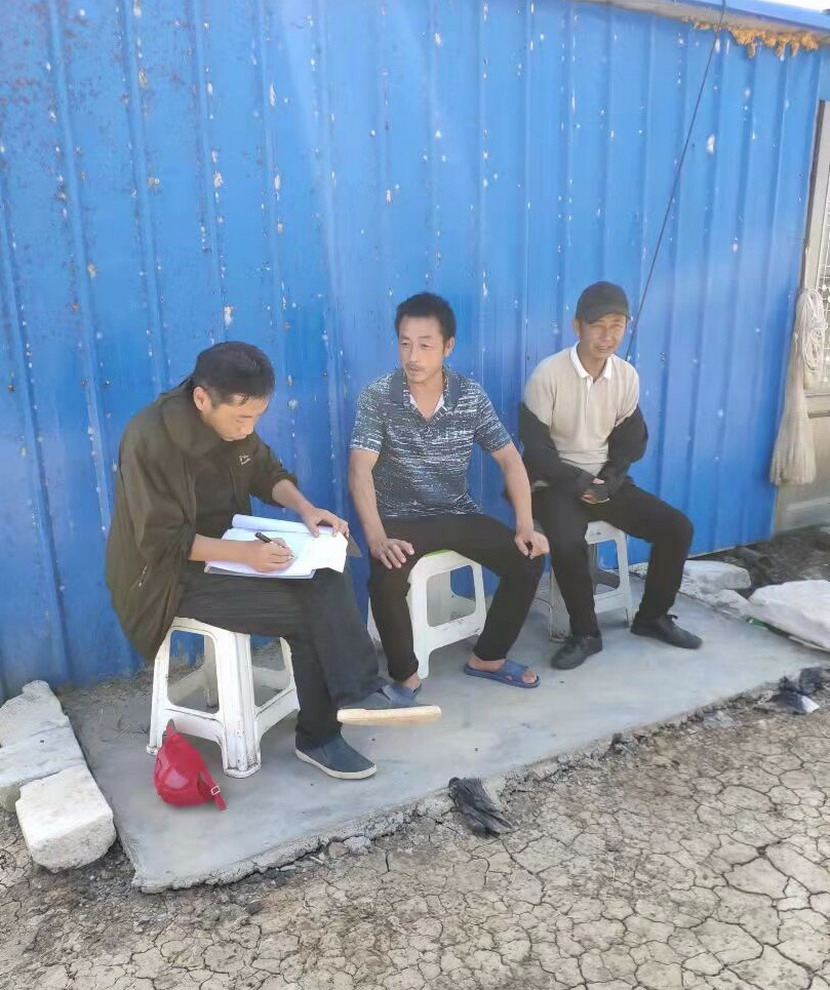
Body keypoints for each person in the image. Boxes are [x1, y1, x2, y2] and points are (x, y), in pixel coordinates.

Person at [106, 341, 440, 781]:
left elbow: (266, 473)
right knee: (308, 615)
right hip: (166, 579)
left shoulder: (233, 421)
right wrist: (246, 554)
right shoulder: (149, 440)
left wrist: (306, 509)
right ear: (202, 399)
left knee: (327, 570)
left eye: (257, 417)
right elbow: (162, 542)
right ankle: (320, 736)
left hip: (227, 553)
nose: (249, 428)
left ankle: (360, 692)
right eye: (241, 418)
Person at [349, 292, 548, 692]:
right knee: (385, 577)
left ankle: (488, 657)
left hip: (456, 513)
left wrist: (525, 525)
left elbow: (511, 460)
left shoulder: (469, 395)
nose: (413, 356)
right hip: (400, 518)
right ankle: (405, 677)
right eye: (405, 343)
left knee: (528, 558)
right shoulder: (378, 396)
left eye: (425, 345)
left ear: (448, 346)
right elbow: (359, 469)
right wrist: (376, 537)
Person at [521, 281, 701, 670]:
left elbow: (630, 441)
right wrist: (579, 484)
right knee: (566, 541)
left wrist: (609, 480)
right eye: (598, 326)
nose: (607, 336)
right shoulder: (547, 375)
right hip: (553, 483)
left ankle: (652, 617)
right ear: (577, 326)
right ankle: (586, 634)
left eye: (616, 326)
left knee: (677, 528)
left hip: (604, 481)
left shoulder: (626, 376)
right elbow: (535, 450)